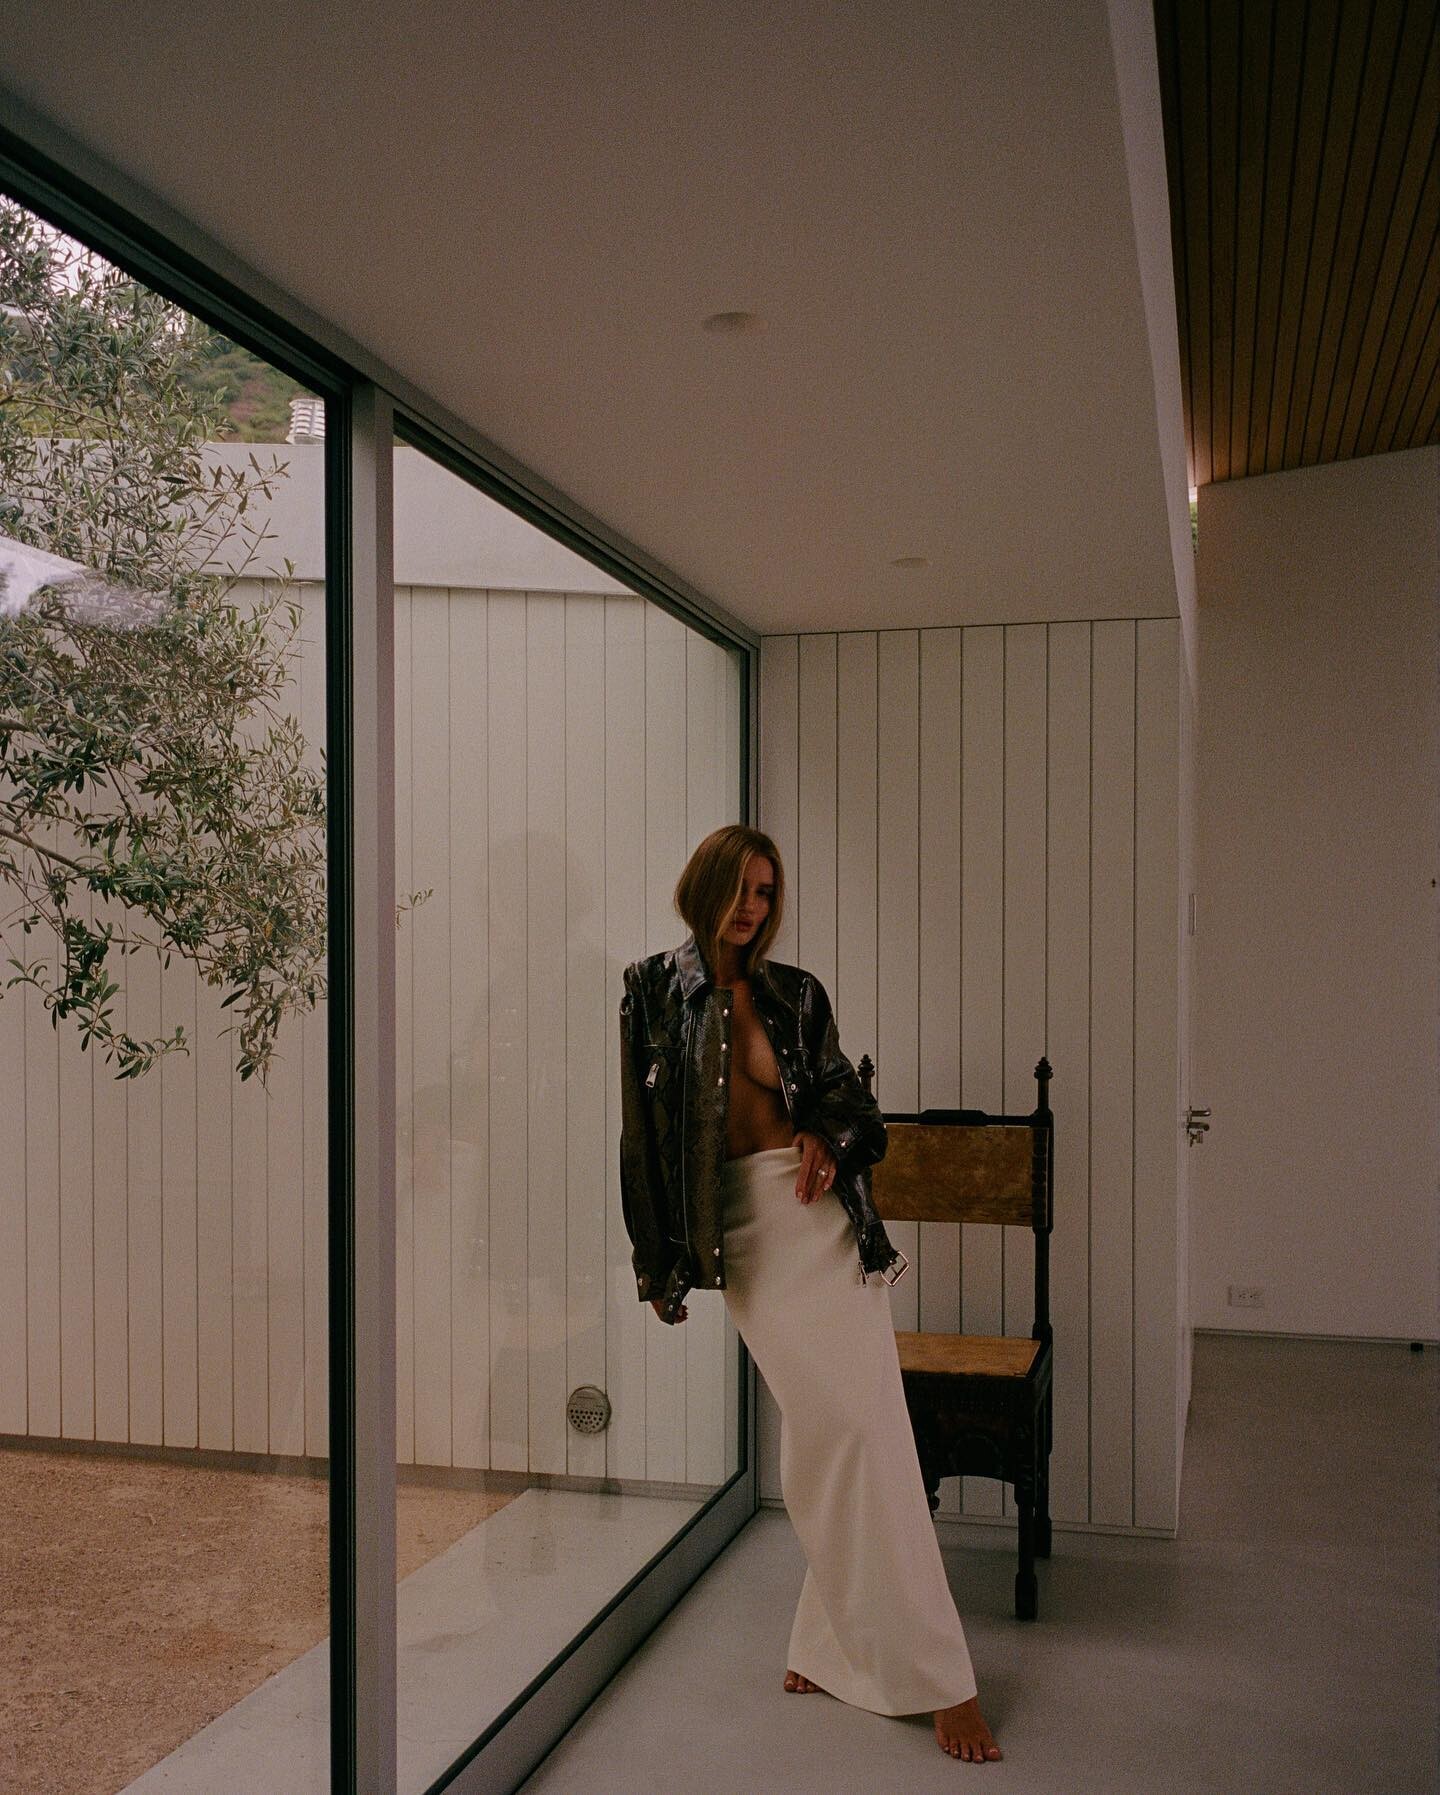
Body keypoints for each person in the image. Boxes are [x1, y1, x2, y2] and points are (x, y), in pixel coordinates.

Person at [619, 823, 1002, 1765]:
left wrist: (829, 1137)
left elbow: (855, 1110)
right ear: (706, 885)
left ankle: (934, 1674)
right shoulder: (650, 992)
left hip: (825, 1229)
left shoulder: (796, 994)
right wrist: (655, 1264)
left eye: (766, 892)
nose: (752, 908)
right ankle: (837, 1639)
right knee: (833, 1434)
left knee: (865, 1433)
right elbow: (642, 1141)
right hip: (746, 1238)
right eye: (740, 888)